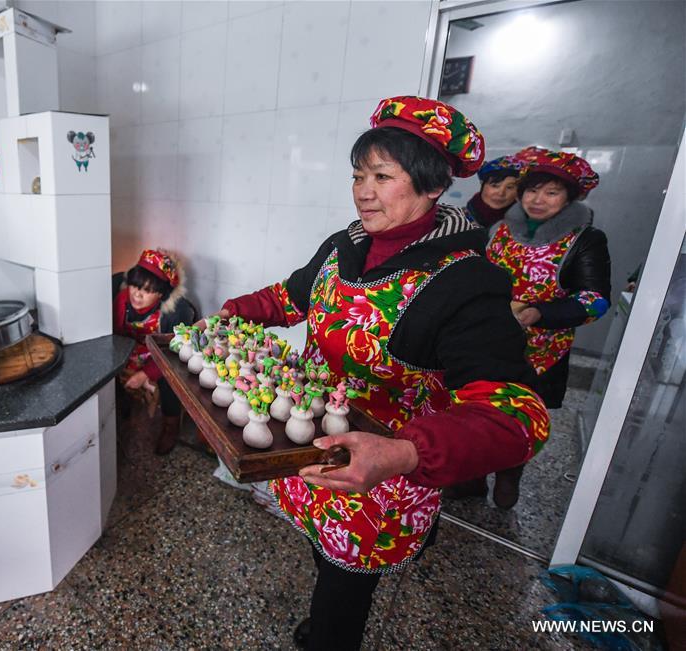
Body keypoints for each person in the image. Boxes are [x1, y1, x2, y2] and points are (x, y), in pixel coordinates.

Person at [203, 97, 550, 650]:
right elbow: (291, 297)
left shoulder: (465, 281)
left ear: (434, 186)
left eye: (382, 176)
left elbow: (518, 416)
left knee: (345, 592)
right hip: (314, 445)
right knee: (322, 551)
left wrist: (405, 453)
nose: (363, 191)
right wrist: (233, 313)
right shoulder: (343, 247)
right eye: (358, 175)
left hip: (380, 477)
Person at [455, 146, 609, 508]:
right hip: (488, 342)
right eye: (531, 191)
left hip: (540, 353)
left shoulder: (584, 240)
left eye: (551, 192)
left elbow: (595, 300)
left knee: (520, 416)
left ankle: (510, 475)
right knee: (476, 407)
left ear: (569, 198)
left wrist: (538, 313)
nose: (538, 200)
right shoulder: (501, 231)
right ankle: (472, 478)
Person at [113, 249, 195, 454]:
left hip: (161, 354)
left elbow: (174, 351)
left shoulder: (178, 311)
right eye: (135, 285)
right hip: (128, 348)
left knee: (170, 380)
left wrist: (145, 374)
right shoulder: (119, 295)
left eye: (147, 290)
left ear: (161, 294)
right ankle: (120, 407)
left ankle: (171, 425)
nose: (137, 294)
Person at [465, 154, 523, 227]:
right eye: (495, 185)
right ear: (482, 185)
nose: (501, 193)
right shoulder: (459, 220)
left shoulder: (526, 223)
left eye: (509, 187)